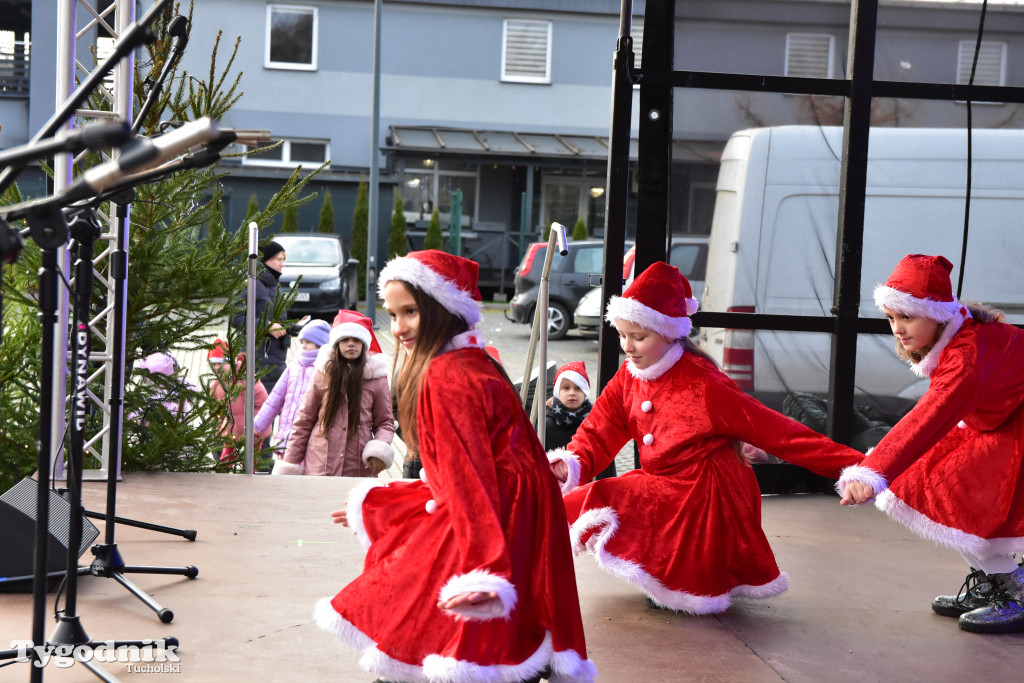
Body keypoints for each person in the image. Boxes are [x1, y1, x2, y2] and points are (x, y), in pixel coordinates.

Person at [316, 250, 595, 683]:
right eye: (392, 314)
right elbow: (467, 467)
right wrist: (391, 500)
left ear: (442, 306)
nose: (400, 327)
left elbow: (469, 477)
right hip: (517, 508)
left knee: (421, 593)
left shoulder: (446, 376)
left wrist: (485, 570)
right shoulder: (474, 360)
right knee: (501, 622)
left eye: (410, 311)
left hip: (496, 511)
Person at [547, 261, 864, 615]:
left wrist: (856, 466)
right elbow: (599, 428)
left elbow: (780, 432)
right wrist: (571, 461)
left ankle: (685, 582)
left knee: (625, 495)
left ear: (670, 332)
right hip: (665, 483)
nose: (628, 346)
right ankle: (669, 579)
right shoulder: (629, 376)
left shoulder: (705, 384)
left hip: (707, 491)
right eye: (622, 335)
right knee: (616, 494)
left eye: (639, 337)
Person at [838, 254, 1024, 634]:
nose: (898, 329)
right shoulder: (959, 336)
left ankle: (1014, 591)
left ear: (937, 314)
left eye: (907, 317)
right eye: (891, 318)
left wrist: (872, 473)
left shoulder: (965, 359)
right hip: (1001, 418)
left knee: (959, 490)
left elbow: (926, 419)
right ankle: (996, 581)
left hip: (1013, 424)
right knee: (935, 483)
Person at [275, 312, 395, 477]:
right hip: (319, 466)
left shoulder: (376, 379)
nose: (351, 344)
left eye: (356, 340)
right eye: (345, 340)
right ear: (337, 343)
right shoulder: (322, 373)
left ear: (364, 344)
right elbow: (304, 421)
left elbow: (384, 423)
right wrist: (290, 464)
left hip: (357, 468)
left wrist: (378, 449)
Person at [231, 240, 303, 395]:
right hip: (258, 359)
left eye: (284, 260)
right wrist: (266, 326)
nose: (282, 264)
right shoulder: (250, 282)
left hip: (276, 360)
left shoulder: (273, 285)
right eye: (279, 259)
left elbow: (276, 321)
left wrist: (293, 328)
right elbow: (236, 318)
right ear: (265, 260)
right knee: (261, 411)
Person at [252, 319, 331, 458]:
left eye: (308, 342)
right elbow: (275, 398)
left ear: (321, 345)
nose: (304, 346)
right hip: (286, 438)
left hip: (312, 443)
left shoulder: (324, 369)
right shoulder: (294, 366)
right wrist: (257, 426)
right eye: (302, 343)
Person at [208, 340, 268, 464]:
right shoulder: (216, 386)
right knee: (225, 460)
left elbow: (264, 404)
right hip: (232, 430)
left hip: (253, 430)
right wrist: (219, 430)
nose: (217, 368)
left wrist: (257, 427)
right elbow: (217, 413)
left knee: (252, 462)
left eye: (220, 363)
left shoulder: (247, 378)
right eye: (213, 364)